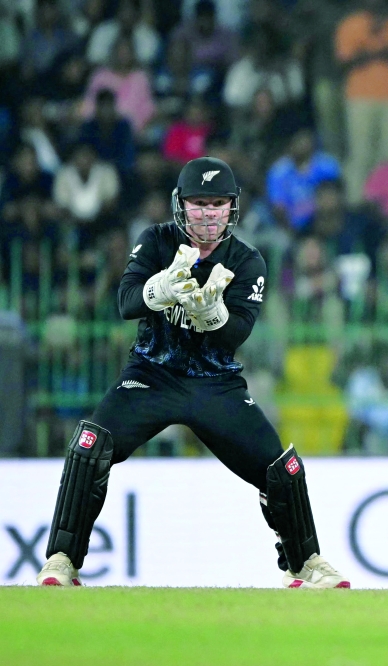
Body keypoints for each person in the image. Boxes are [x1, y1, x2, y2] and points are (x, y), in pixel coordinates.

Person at [35, 157, 350, 590]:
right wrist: (160, 289)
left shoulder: (248, 260)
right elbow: (126, 303)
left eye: (217, 203)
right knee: (90, 445)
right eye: (198, 203)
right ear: (180, 205)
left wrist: (213, 314)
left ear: (232, 208)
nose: (207, 213)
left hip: (215, 383)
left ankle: (305, 564)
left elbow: (235, 333)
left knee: (282, 468)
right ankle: (62, 560)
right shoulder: (156, 242)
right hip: (151, 375)